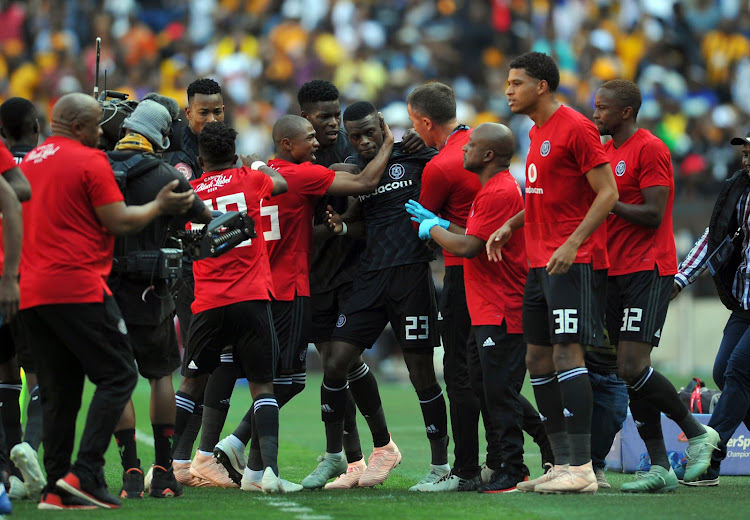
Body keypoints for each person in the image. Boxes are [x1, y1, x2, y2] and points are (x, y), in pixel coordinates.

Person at [18, 92, 195, 510]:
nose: (103, 133)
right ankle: (86, 471)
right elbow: (117, 220)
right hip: (76, 284)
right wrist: (159, 205)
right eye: (97, 125)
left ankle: (57, 486)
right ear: (79, 127)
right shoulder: (89, 160)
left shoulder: (31, 162)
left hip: (32, 291)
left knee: (61, 388)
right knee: (118, 375)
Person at [210, 112, 396, 492]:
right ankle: (259, 469)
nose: (317, 144)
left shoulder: (256, 178)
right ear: (286, 144)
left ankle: (248, 462)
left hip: (257, 286)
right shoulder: (300, 175)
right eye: (309, 137)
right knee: (286, 381)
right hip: (290, 290)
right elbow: (364, 180)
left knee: (278, 378)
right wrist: (390, 144)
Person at [486, 51, 618, 494]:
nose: (508, 90)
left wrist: (573, 242)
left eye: (516, 82)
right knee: (537, 358)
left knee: (566, 354)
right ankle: (561, 462)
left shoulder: (577, 127)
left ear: (541, 86)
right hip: (539, 261)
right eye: (507, 82)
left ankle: (581, 467)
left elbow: (607, 192)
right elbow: (544, 194)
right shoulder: (536, 130)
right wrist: (511, 223)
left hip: (572, 261)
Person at [592, 79, 718, 492]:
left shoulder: (650, 148)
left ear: (626, 112)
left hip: (647, 269)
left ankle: (698, 433)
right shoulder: (606, 152)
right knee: (630, 373)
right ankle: (661, 467)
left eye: (603, 108)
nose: (597, 115)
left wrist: (608, 202)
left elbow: (654, 213)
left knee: (631, 366)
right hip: (612, 271)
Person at [318, 101, 445, 490]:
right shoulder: (359, 170)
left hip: (411, 275)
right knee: (337, 359)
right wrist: (342, 227)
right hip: (370, 277)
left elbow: (453, 158)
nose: (363, 141)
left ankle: (440, 466)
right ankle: (354, 458)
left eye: (369, 132)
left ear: (382, 126)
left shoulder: (416, 152)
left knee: (420, 370)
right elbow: (364, 223)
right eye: (354, 136)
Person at [407, 122, 530, 493]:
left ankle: (512, 465)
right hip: (487, 304)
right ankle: (517, 457)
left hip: (501, 304)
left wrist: (432, 230)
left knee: (496, 388)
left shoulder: (496, 192)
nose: (463, 150)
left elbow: (468, 248)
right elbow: (473, 235)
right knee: (487, 385)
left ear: (488, 155)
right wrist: (444, 224)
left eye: (471, 146)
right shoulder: (488, 189)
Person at [106, 99, 212, 499]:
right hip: (153, 291)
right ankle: (164, 471)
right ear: (163, 135)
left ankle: (131, 471)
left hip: (106, 291)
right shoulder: (167, 174)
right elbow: (204, 217)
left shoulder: (100, 167)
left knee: (116, 381)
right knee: (159, 376)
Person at [182, 121, 294, 493]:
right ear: (234, 154)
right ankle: (264, 476)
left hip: (209, 302)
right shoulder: (249, 177)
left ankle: (178, 466)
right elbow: (281, 184)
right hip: (251, 297)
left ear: (200, 158)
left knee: (191, 384)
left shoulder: (190, 191)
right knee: (263, 386)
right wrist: (258, 164)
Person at [162, 79, 230, 487]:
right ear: (188, 113)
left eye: (217, 110)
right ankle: (184, 459)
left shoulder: (222, 148)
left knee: (218, 361)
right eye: (203, 112)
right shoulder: (180, 156)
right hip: (190, 272)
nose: (211, 118)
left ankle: (199, 456)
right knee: (199, 365)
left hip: (222, 270)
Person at [672, 130, 750, 486]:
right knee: (723, 373)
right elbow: (714, 239)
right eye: (745, 153)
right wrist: (680, 279)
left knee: (737, 372)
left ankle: (707, 459)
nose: (745, 159)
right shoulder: (739, 189)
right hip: (745, 302)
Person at [0, 96, 43, 502]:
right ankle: (29, 445)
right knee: (42, 373)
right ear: (35, 127)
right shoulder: (42, 164)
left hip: (1, 283)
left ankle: (7, 471)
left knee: (6, 374)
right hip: (33, 280)